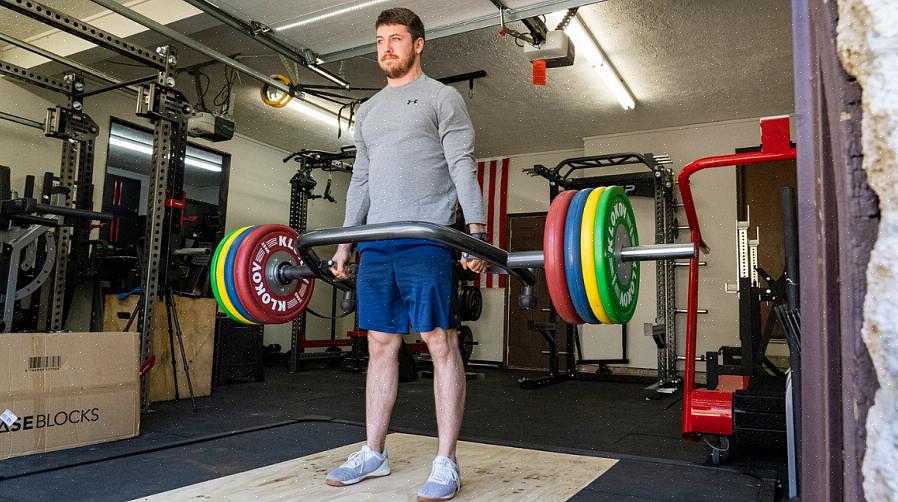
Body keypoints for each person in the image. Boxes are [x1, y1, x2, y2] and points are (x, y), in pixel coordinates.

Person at [325, 7, 487, 502]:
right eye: (380, 40)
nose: (386, 48)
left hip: (426, 237)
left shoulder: (442, 97)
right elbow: (361, 180)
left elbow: (461, 164)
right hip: (377, 242)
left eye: (395, 38)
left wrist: (475, 232)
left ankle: (446, 461)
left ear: (418, 44)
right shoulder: (369, 111)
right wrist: (345, 243)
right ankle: (374, 453)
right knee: (380, 343)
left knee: (440, 341)